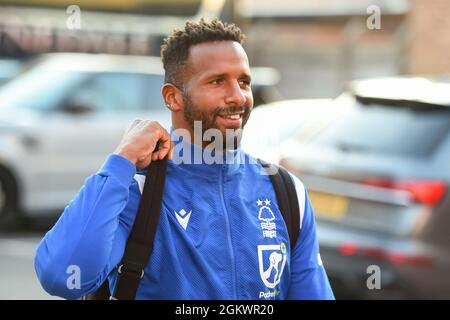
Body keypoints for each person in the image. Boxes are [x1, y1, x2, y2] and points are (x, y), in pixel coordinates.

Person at [34, 18, 334, 300]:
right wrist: (121, 160)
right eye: (217, 82)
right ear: (173, 97)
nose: (238, 97)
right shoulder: (136, 187)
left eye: (243, 82)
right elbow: (63, 276)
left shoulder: (285, 191)